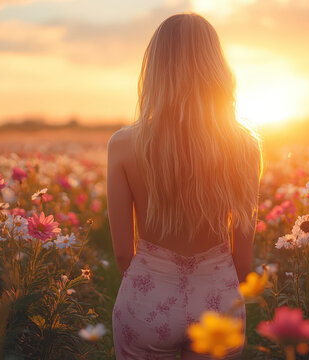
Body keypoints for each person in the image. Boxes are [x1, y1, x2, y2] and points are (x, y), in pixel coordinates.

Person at [106, 13, 262, 359]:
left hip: (147, 299)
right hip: (218, 299)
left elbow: (120, 252)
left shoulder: (123, 144)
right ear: (216, 68)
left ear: (155, 70)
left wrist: (149, 284)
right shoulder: (245, 146)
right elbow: (244, 257)